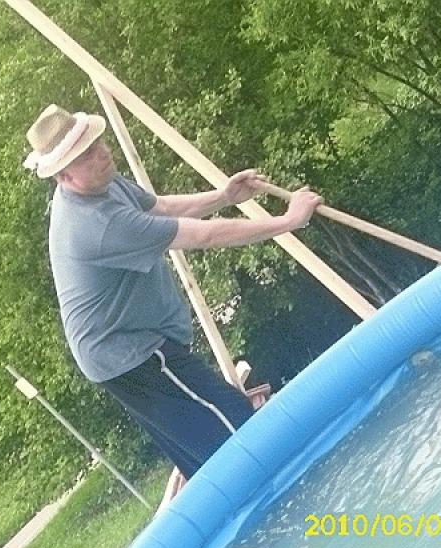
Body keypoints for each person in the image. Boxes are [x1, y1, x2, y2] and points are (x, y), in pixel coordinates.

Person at [23, 104, 321, 479]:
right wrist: (288, 221)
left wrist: (224, 196)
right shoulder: (96, 225)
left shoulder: (102, 183)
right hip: (129, 352)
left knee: (209, 454)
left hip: (134, 345)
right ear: (64, 176)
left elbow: (160, 208)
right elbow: (203, 236)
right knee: (237, 427)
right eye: (86, 155)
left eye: (97, 144)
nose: (102, 154)